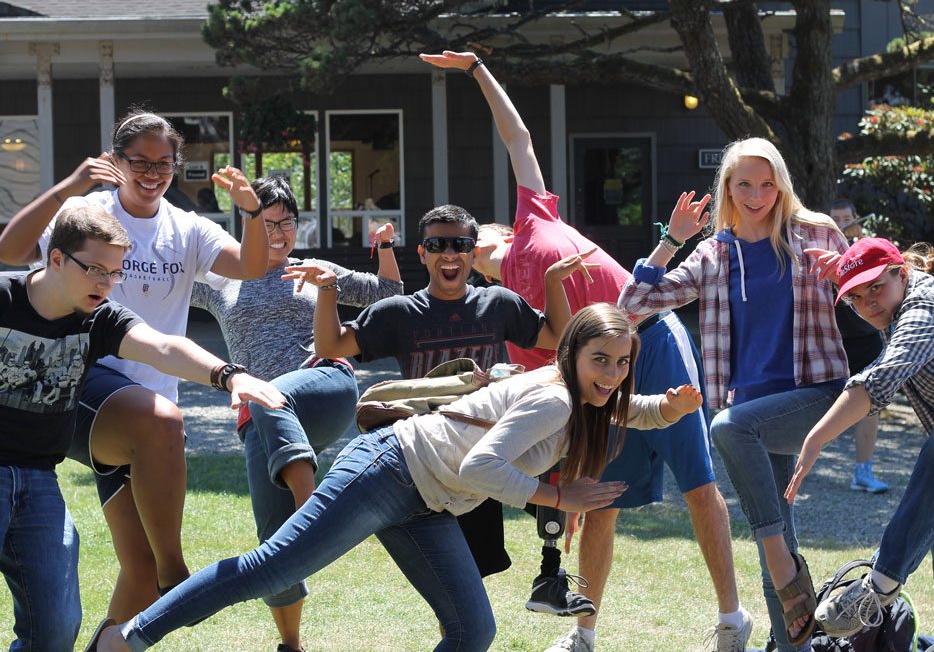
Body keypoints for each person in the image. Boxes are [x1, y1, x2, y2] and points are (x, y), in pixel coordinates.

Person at [89, 303, 706, 651]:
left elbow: (621, 405)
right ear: (571, 355)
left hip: (428, 501)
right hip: (390, 469)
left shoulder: (586, 393)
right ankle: (132, 637)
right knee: (275, 567)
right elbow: (481, 465)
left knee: (471, 631)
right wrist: (554, 494)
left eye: (623, 364)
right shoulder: (555, 401)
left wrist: (668, 409)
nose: (613, 373)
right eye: (601, 360)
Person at [419, 50, 752, 652]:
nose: (467, 252)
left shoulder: (532, 217)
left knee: (699, 483)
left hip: (650, 339)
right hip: (596, 371)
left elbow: (517, 136)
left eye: (470, 242)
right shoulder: (514, 315)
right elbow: (544, 398)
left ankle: (732, 620)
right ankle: (584, 633)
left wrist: (477, 72)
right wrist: (558, 480)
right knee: (597, 501)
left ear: (490, 234)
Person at [0, 109, 270, 622]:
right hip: (86, 379)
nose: (151, 174)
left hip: (147, 409)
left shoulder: (187, 228)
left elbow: (252, 267)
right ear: (115, 161)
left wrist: (252, 214)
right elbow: (11, 250)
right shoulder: (88, 213)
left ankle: (127, 621)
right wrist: (70, 186)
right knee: (160, 424)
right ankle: (179, 577)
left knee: (137, 570)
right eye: (138, 162)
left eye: (163, 164)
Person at [619, 137, 850, 651]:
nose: (757, 195)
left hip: (813, 396)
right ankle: (796, 643)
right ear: (727, 187)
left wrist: (845, 277)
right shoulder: (714, 252)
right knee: (778, 531)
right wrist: (669, 240)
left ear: (782, 185)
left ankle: (781, 582)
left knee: (728, 435)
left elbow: (876, 292)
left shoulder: (814, 233)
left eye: (768, 184)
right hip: (750, 408)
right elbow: (632, 306)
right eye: (744, 184)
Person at [284, 201, 583, 581]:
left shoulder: (498, 304)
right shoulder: (398, 313)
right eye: (438, 245)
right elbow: (331, 347)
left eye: (460, 244)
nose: (450, 254)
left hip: (484, 454)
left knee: (478, 572)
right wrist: (328, 288)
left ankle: (549, 577)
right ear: (422, 254)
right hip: (427, 458)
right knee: (451, 577)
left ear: (474, 253)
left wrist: (552, 282)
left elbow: (559, 337)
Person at [189, 175, 404, 652]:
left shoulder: (313, 268)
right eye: (268, 224)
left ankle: (314, 510)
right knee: (273, 542)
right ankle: (291, 643)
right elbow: (163, 286)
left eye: (288, 223)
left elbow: (389, 293)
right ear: (248, 227)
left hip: (324, 385)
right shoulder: (221, 279)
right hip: (262, 420)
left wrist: (385, 244)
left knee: (267, 394)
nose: (280, 234)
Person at [786, 238, 934, 652]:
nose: (868, 303)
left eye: (876, 288)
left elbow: (879, 380)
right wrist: (852, 274)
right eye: (856, 298)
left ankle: (880, 586)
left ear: (902, 273)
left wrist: (815, 439)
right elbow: (872, 289)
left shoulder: (930, 302)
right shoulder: (900, 303)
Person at [829, 199, 888, 494]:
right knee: (813, 405)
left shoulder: (867, 254)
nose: (841, 223)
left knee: (869, 407)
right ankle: (791, 469)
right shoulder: (821, 254)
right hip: (829, 342)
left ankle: (862, 472)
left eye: (846, 218)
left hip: (866, 342)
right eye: (834, 219)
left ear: (856, 220)